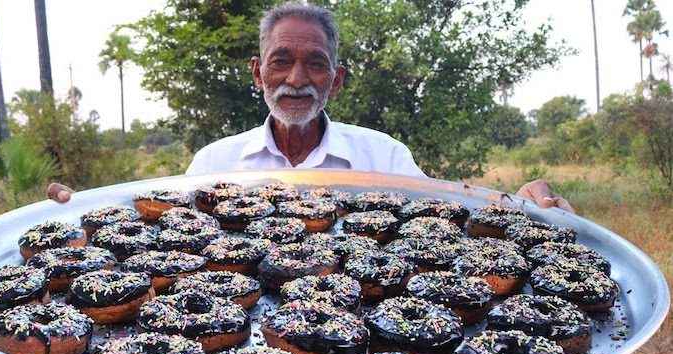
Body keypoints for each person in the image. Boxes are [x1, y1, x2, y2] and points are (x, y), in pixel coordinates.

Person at [48, 1, 573, 213]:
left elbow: (445, 216)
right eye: (281, 62)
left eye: (315, 65)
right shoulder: (213, 164)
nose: (296, 79)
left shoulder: (384, 158)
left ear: (336, 81)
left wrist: (522, 205)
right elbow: (158, 236)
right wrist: (84, 211)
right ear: (258, 73)